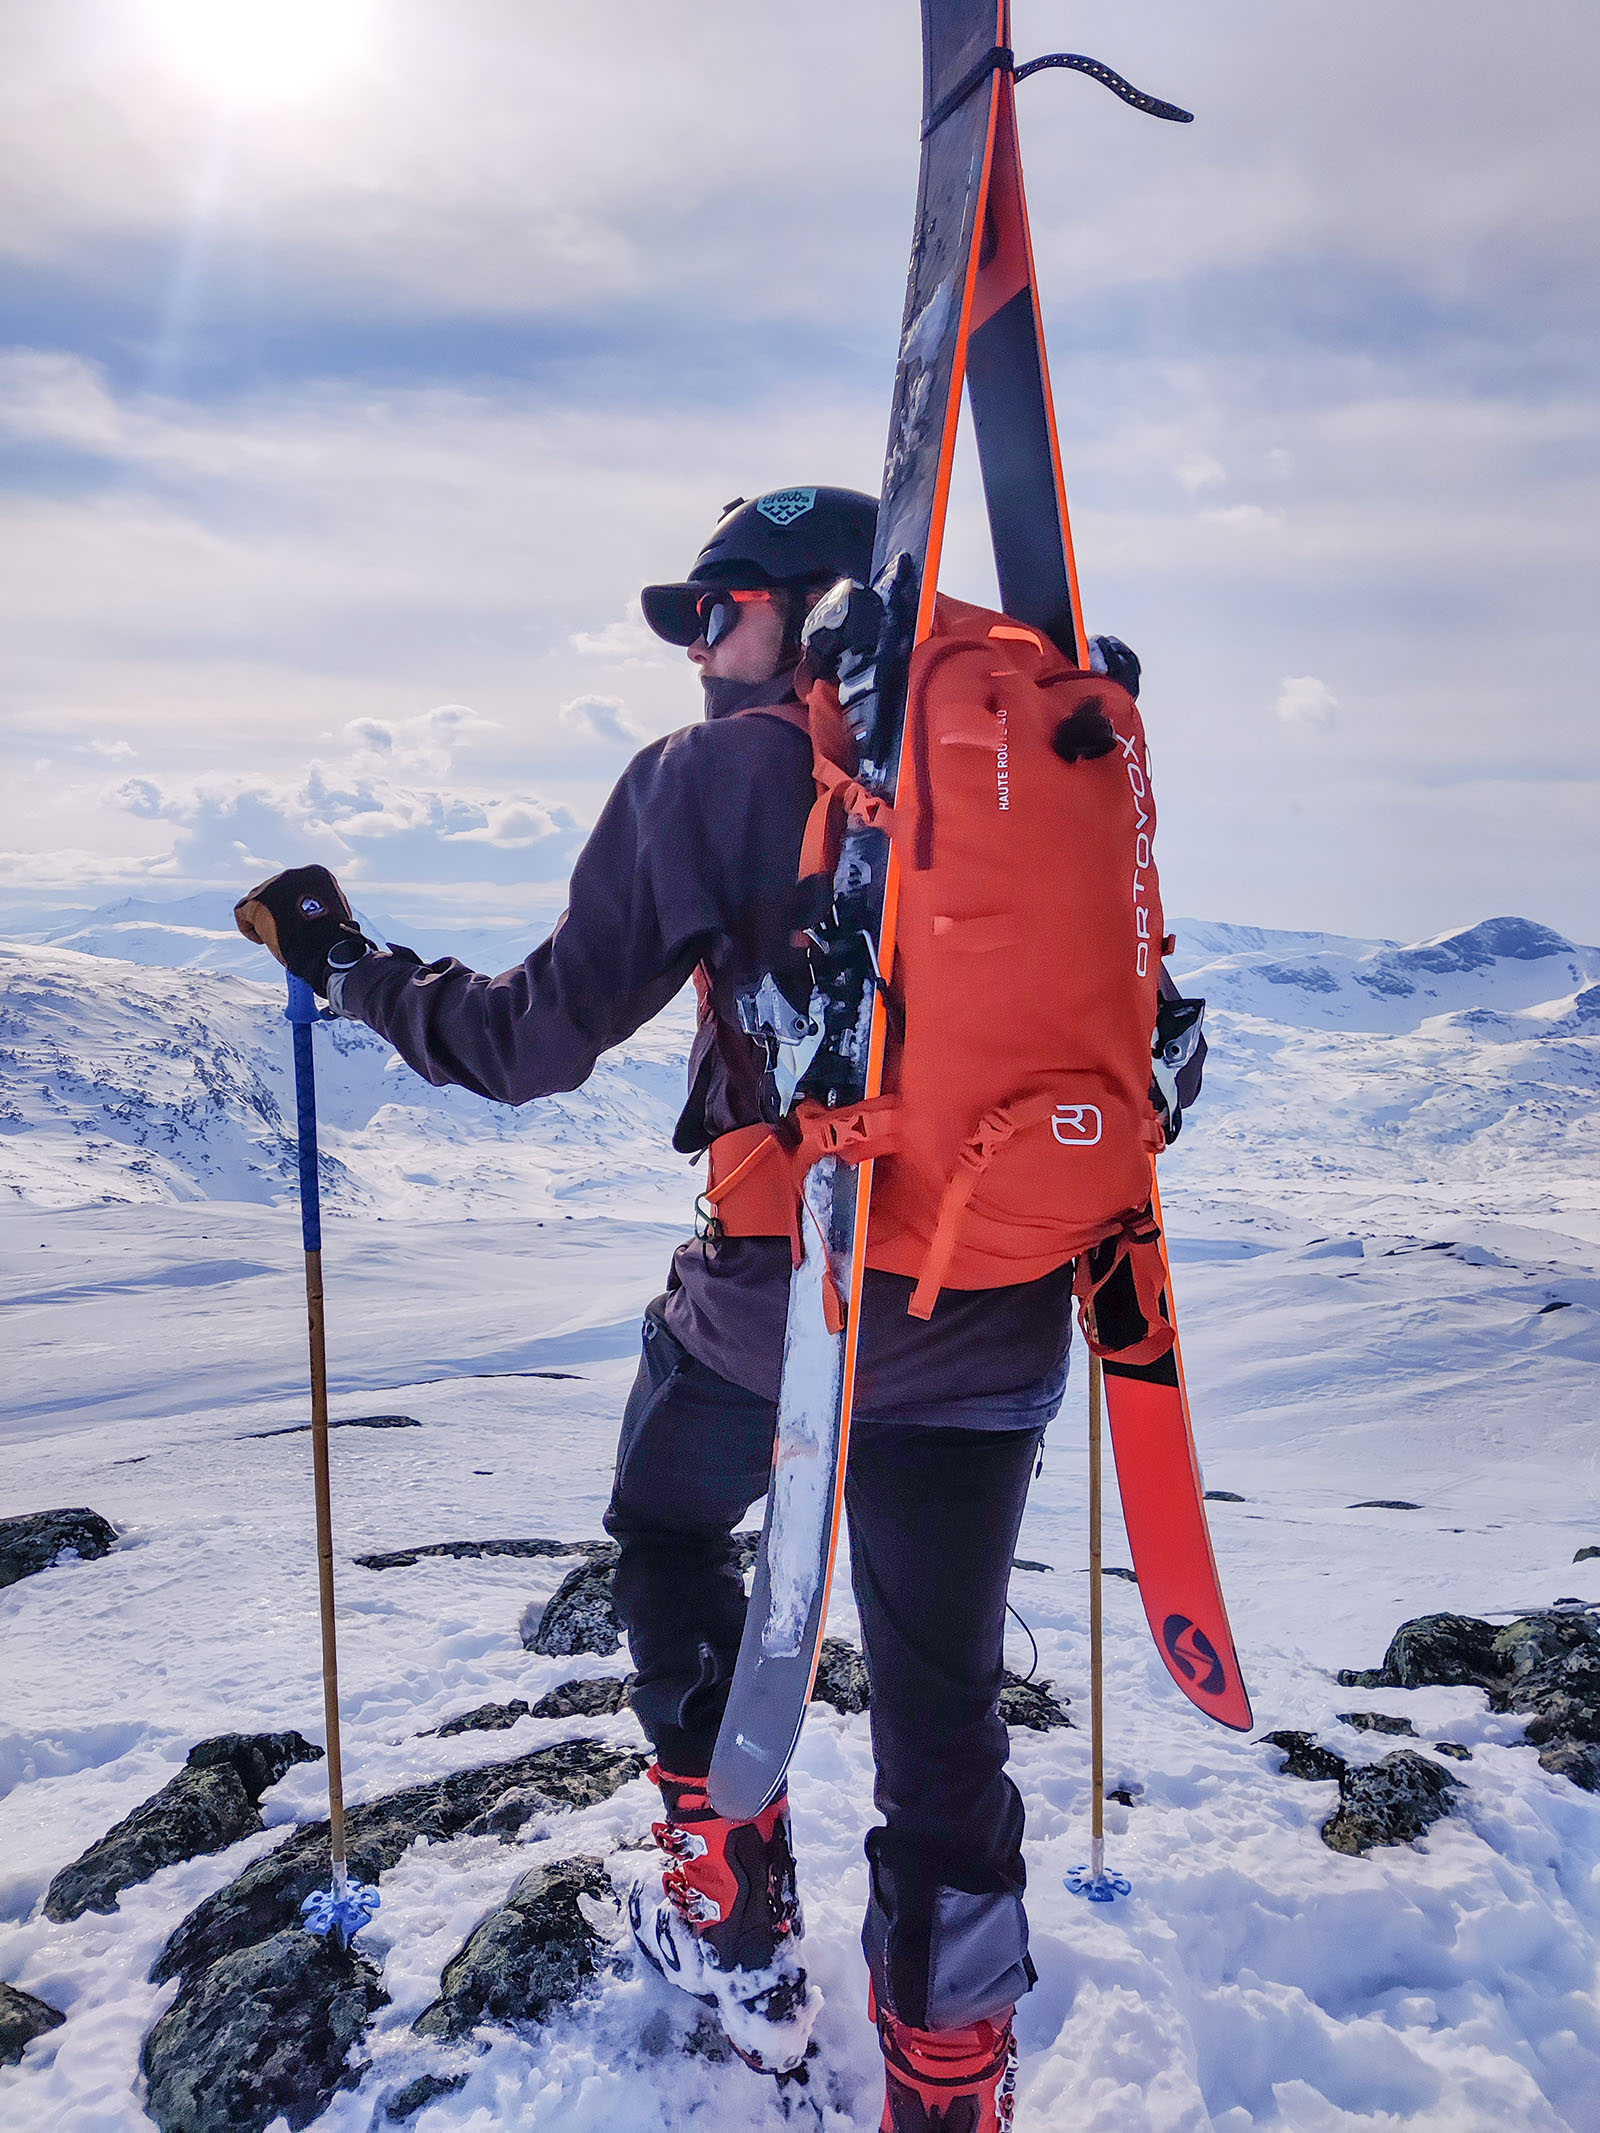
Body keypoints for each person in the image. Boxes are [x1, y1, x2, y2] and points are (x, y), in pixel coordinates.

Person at [236, 486, 1132, 2131]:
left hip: (779, 1300)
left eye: (714, 611)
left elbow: (524, 1042)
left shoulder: (710, 775)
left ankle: (730, 1902)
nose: (696, 650)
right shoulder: (1048, 759)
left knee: (663, 1523)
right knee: (942, 1707)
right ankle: (948, 2082)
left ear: (803, 608)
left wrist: (351, 967)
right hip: (1000, 1306)